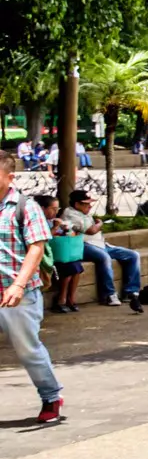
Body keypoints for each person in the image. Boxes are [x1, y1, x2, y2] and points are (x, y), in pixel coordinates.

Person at [0, 153, 62, 423]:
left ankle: (50, 396)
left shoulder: (25, 207)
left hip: (18, 293)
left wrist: (18, 284)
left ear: (9, 177)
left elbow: (36, 248)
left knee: (27, 349)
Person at [67, 190, 139, 307]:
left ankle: (131, 292)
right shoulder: (70, 214)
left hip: (100, 244)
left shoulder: (85, 213)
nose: (90, 206)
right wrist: (100, 224)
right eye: (86, 203)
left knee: (133, 255)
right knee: (104, 257)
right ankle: (109, 294)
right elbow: (91, 231)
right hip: (83, 245)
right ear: (77, 204)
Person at [39, 195, 86, 314]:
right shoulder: (39, 222)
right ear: (43, 208)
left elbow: (59, 236)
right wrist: (55, 228)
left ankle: (71, 297)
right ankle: (61, 299)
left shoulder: (52, 220)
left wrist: (64, 230)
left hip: (61, 252)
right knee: (69, 268)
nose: (55, 212)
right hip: (48, 256)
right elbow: (43, 238)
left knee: (77, 266)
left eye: (57, 209)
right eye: (53, 209)